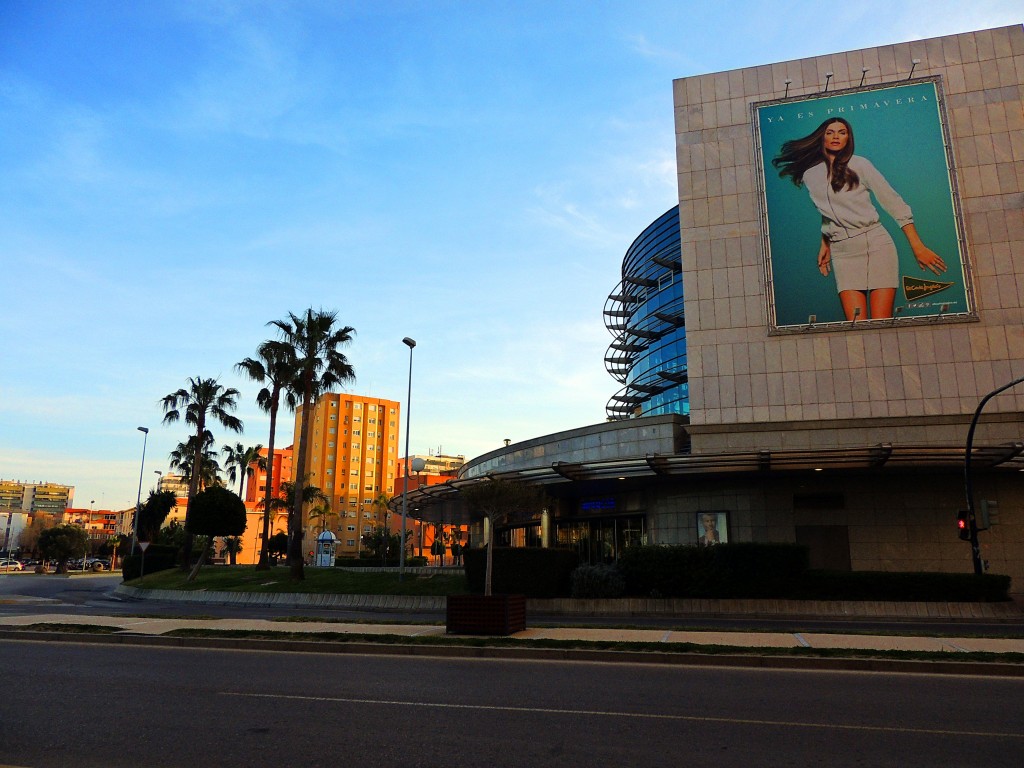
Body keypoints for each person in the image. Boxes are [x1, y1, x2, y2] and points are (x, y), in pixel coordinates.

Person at [772, 117, 947, 321]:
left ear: (848, 138)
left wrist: (918, 247)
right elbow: (827, 211)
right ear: (822, 137)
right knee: (856, 326)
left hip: (876, 245)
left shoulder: (860, 165)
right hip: (843, 253)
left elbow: (894, 203)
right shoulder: (810, 175)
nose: (836, 136)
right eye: (830, 132)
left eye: (842, 132)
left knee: (881, 323)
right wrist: (825, 242)